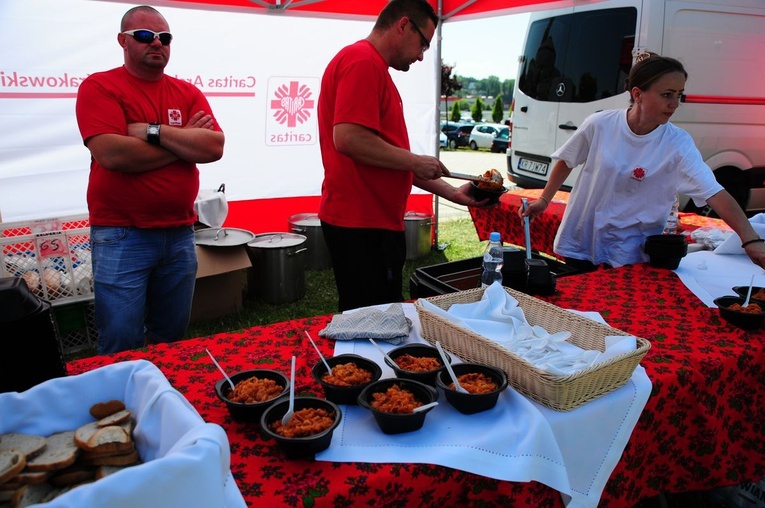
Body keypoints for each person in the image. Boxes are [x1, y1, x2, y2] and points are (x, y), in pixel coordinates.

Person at [317, 0, 489, 312]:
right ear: (403, 25)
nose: (422, 56)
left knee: (376, 318)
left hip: (371, 224)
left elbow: (387, 160)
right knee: (373, 322)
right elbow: (348, 139)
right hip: (363, 226)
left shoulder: (372, 67)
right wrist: (415, 160)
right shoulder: (362, 62)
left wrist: (452, 192)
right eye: (423, 43)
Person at [521, 54, 765, 271]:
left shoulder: (677, 143)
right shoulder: (600, 124)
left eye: (679, 95)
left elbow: (714, 192)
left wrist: (750, 239)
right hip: (583, 238)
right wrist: (544, 199)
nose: (674, 104)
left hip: (632, 252)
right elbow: (567, 160)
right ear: (637, 94)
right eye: (667, 95)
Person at [75, 5, 225, 354]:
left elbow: (214, 146)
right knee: (121, 339)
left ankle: (162, 398)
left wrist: (152, 132)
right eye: (145, 36)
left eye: (165, 38)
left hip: (178, 234)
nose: (156, 43)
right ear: (123, 41)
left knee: (171, 338)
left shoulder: (186, 92)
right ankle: (122, 405)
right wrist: (183, 142)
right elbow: (113, 154)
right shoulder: (100, 86)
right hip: (122, 233)